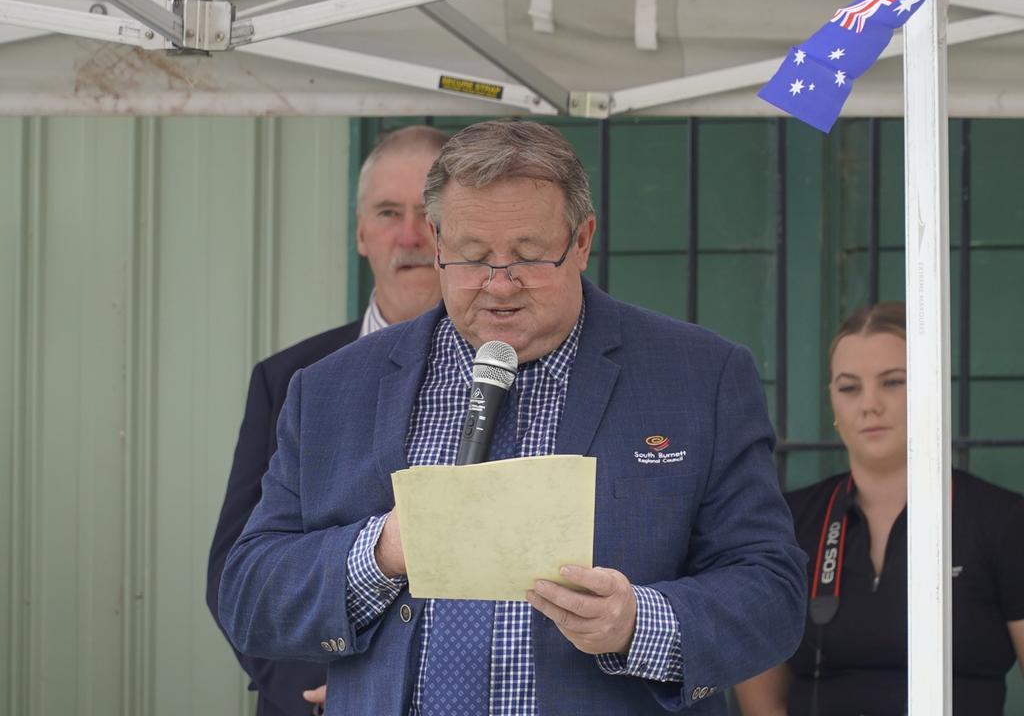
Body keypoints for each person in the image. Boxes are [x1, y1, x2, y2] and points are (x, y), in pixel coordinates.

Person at [218, 119, 807, 715]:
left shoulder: (697, 378)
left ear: (582, 241)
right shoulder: (330, 389)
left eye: (528, 256)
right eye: (473, 258)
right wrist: (382, 552)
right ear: (439, 243)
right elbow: (248, 593)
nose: (500, 286)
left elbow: (772, 593)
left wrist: (640, 624)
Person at [206, 125, 447, 716]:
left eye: (430, 213)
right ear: (362, 233)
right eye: (389, 212)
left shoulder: (517, 366)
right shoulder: (293, 377)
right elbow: (238, 566)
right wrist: (313, 688)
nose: (410, 235)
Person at [735, 302, 1024, 716]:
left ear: (934, 387)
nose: (869, 405)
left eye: (893, 382)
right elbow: (762, 700)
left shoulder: (1002, 521)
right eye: (849, 387)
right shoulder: (789, 521)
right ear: (832, 403)